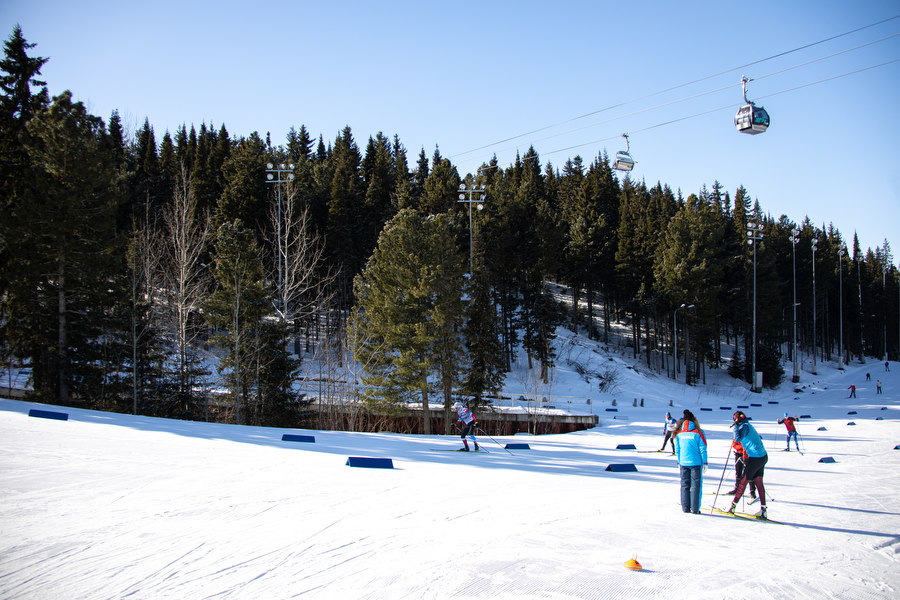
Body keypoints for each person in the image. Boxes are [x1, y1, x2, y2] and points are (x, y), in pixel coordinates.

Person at [729, 411, 768, 519]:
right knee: (758, 482)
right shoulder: (746, 425)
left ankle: (732, 507)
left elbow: (737, 439)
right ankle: (763, 510)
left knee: (743, 481)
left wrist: (735, 427)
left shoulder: (745, 426)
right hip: (761, 456)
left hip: (755, 458)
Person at [674, 409, 708, 514]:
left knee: (684, 485)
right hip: (695, 463)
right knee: (695, 486)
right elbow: (703, 449)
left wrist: (679, 461)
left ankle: (685, 508)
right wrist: (705, 463)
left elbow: (677, 450)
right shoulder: (698, 433)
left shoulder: (679, 434)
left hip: (683, 463)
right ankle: (695, 509)